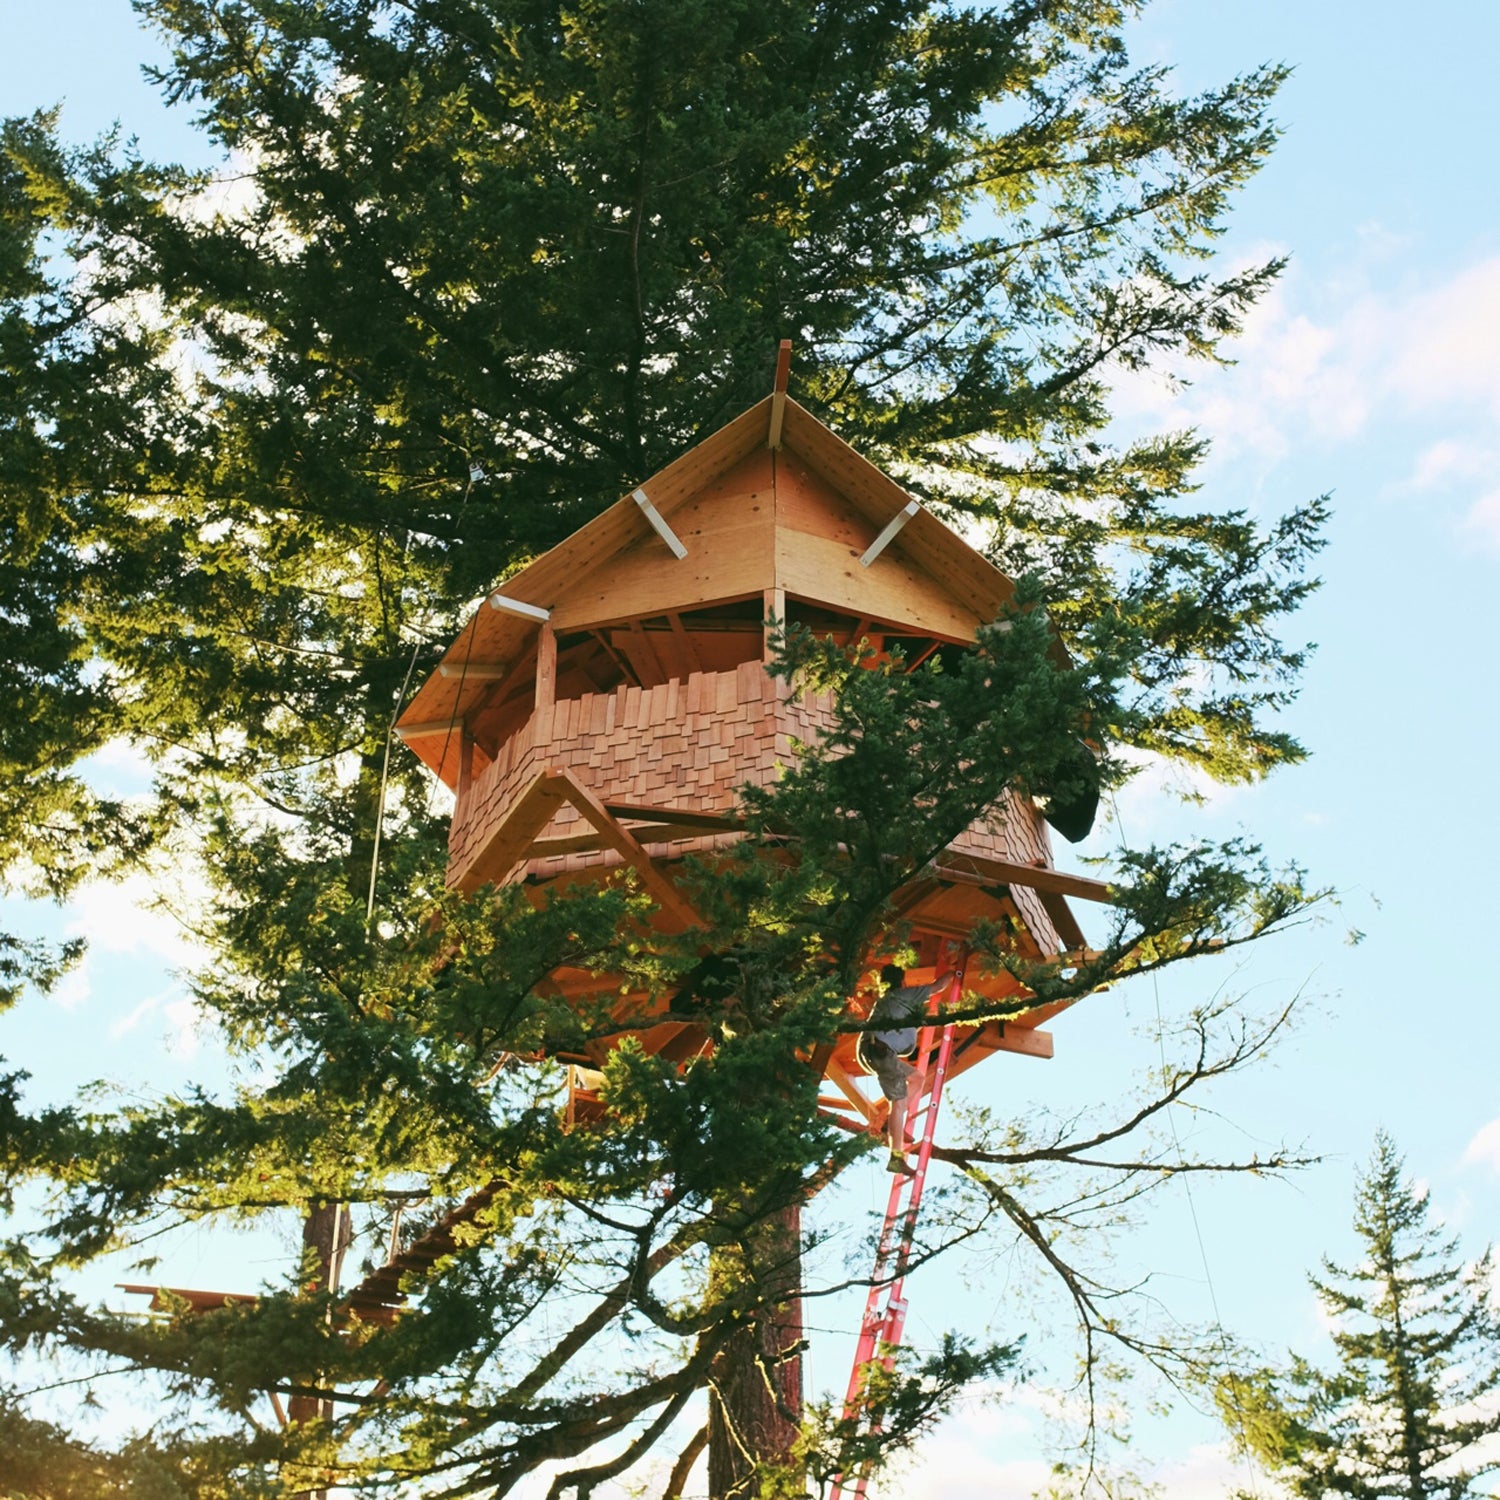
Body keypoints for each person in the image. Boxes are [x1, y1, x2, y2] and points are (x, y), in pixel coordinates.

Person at [856, 963, 951, 1174]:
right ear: (902, 982)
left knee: (917, 1078)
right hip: (880, 1050)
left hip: (874, 1050)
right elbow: (939, 985)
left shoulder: (886, 1001)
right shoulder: (904, 994)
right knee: (898, 1104)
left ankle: (895, 1115)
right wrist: (954, 969)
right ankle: (896, 1158)